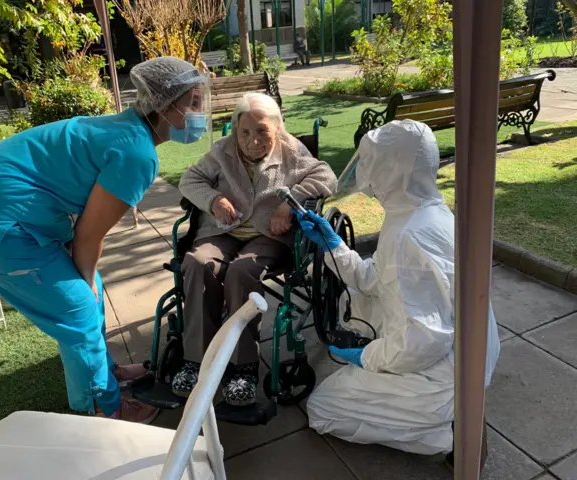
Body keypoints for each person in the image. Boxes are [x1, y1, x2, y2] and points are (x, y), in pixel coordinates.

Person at [0, 57, 210, 424]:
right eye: (193, 102)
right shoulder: (136, 153)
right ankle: (105, 405)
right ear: (165, 106)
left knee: (91, 290)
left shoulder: (127, 128)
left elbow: (84, 233)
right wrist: (84, 286)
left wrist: (87, 281)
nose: (200, 113)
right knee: (80, 309)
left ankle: (105, 372)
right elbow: (88, 235)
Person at [294, 120, 500, 466]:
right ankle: (453, 411)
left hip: (441, 371)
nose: (364, 170)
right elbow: (373, 278)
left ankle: (452, 434)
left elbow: (424, 341)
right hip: (470, 354)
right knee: (359, 300)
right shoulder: (423, 211)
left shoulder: (408, 235)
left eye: (370, 161)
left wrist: (370, 357)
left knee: (323, 407)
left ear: (390, 169)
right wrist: (334, 245)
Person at [176, 93, 337, 406]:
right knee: (197, 263)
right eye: (245, 131)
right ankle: (197, 359)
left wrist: (288, 205)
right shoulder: (221, 151)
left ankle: (243, 366)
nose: (252, 140)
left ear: (277, 127)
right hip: (223, 230)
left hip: (268, 235)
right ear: (236, 130)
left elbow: (326, 176)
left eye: (261, 130)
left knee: (242, 271)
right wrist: (213, 200)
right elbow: (190, 179)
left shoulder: (291, 150)